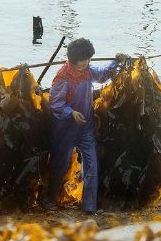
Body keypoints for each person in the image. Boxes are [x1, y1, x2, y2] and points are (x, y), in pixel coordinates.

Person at [43, 38, 128, 213]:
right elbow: (56, 104)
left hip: (86, 127)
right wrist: (71, 113)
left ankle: (89, 206)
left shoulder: (88, 70)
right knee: (60, 165)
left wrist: (116, 61)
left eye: (88, 59)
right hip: (65, 130)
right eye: (83, 60)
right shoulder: (62, 77)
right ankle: (49, 199)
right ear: (72, 59)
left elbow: (103, 74)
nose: (86, 63)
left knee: (92, 164)